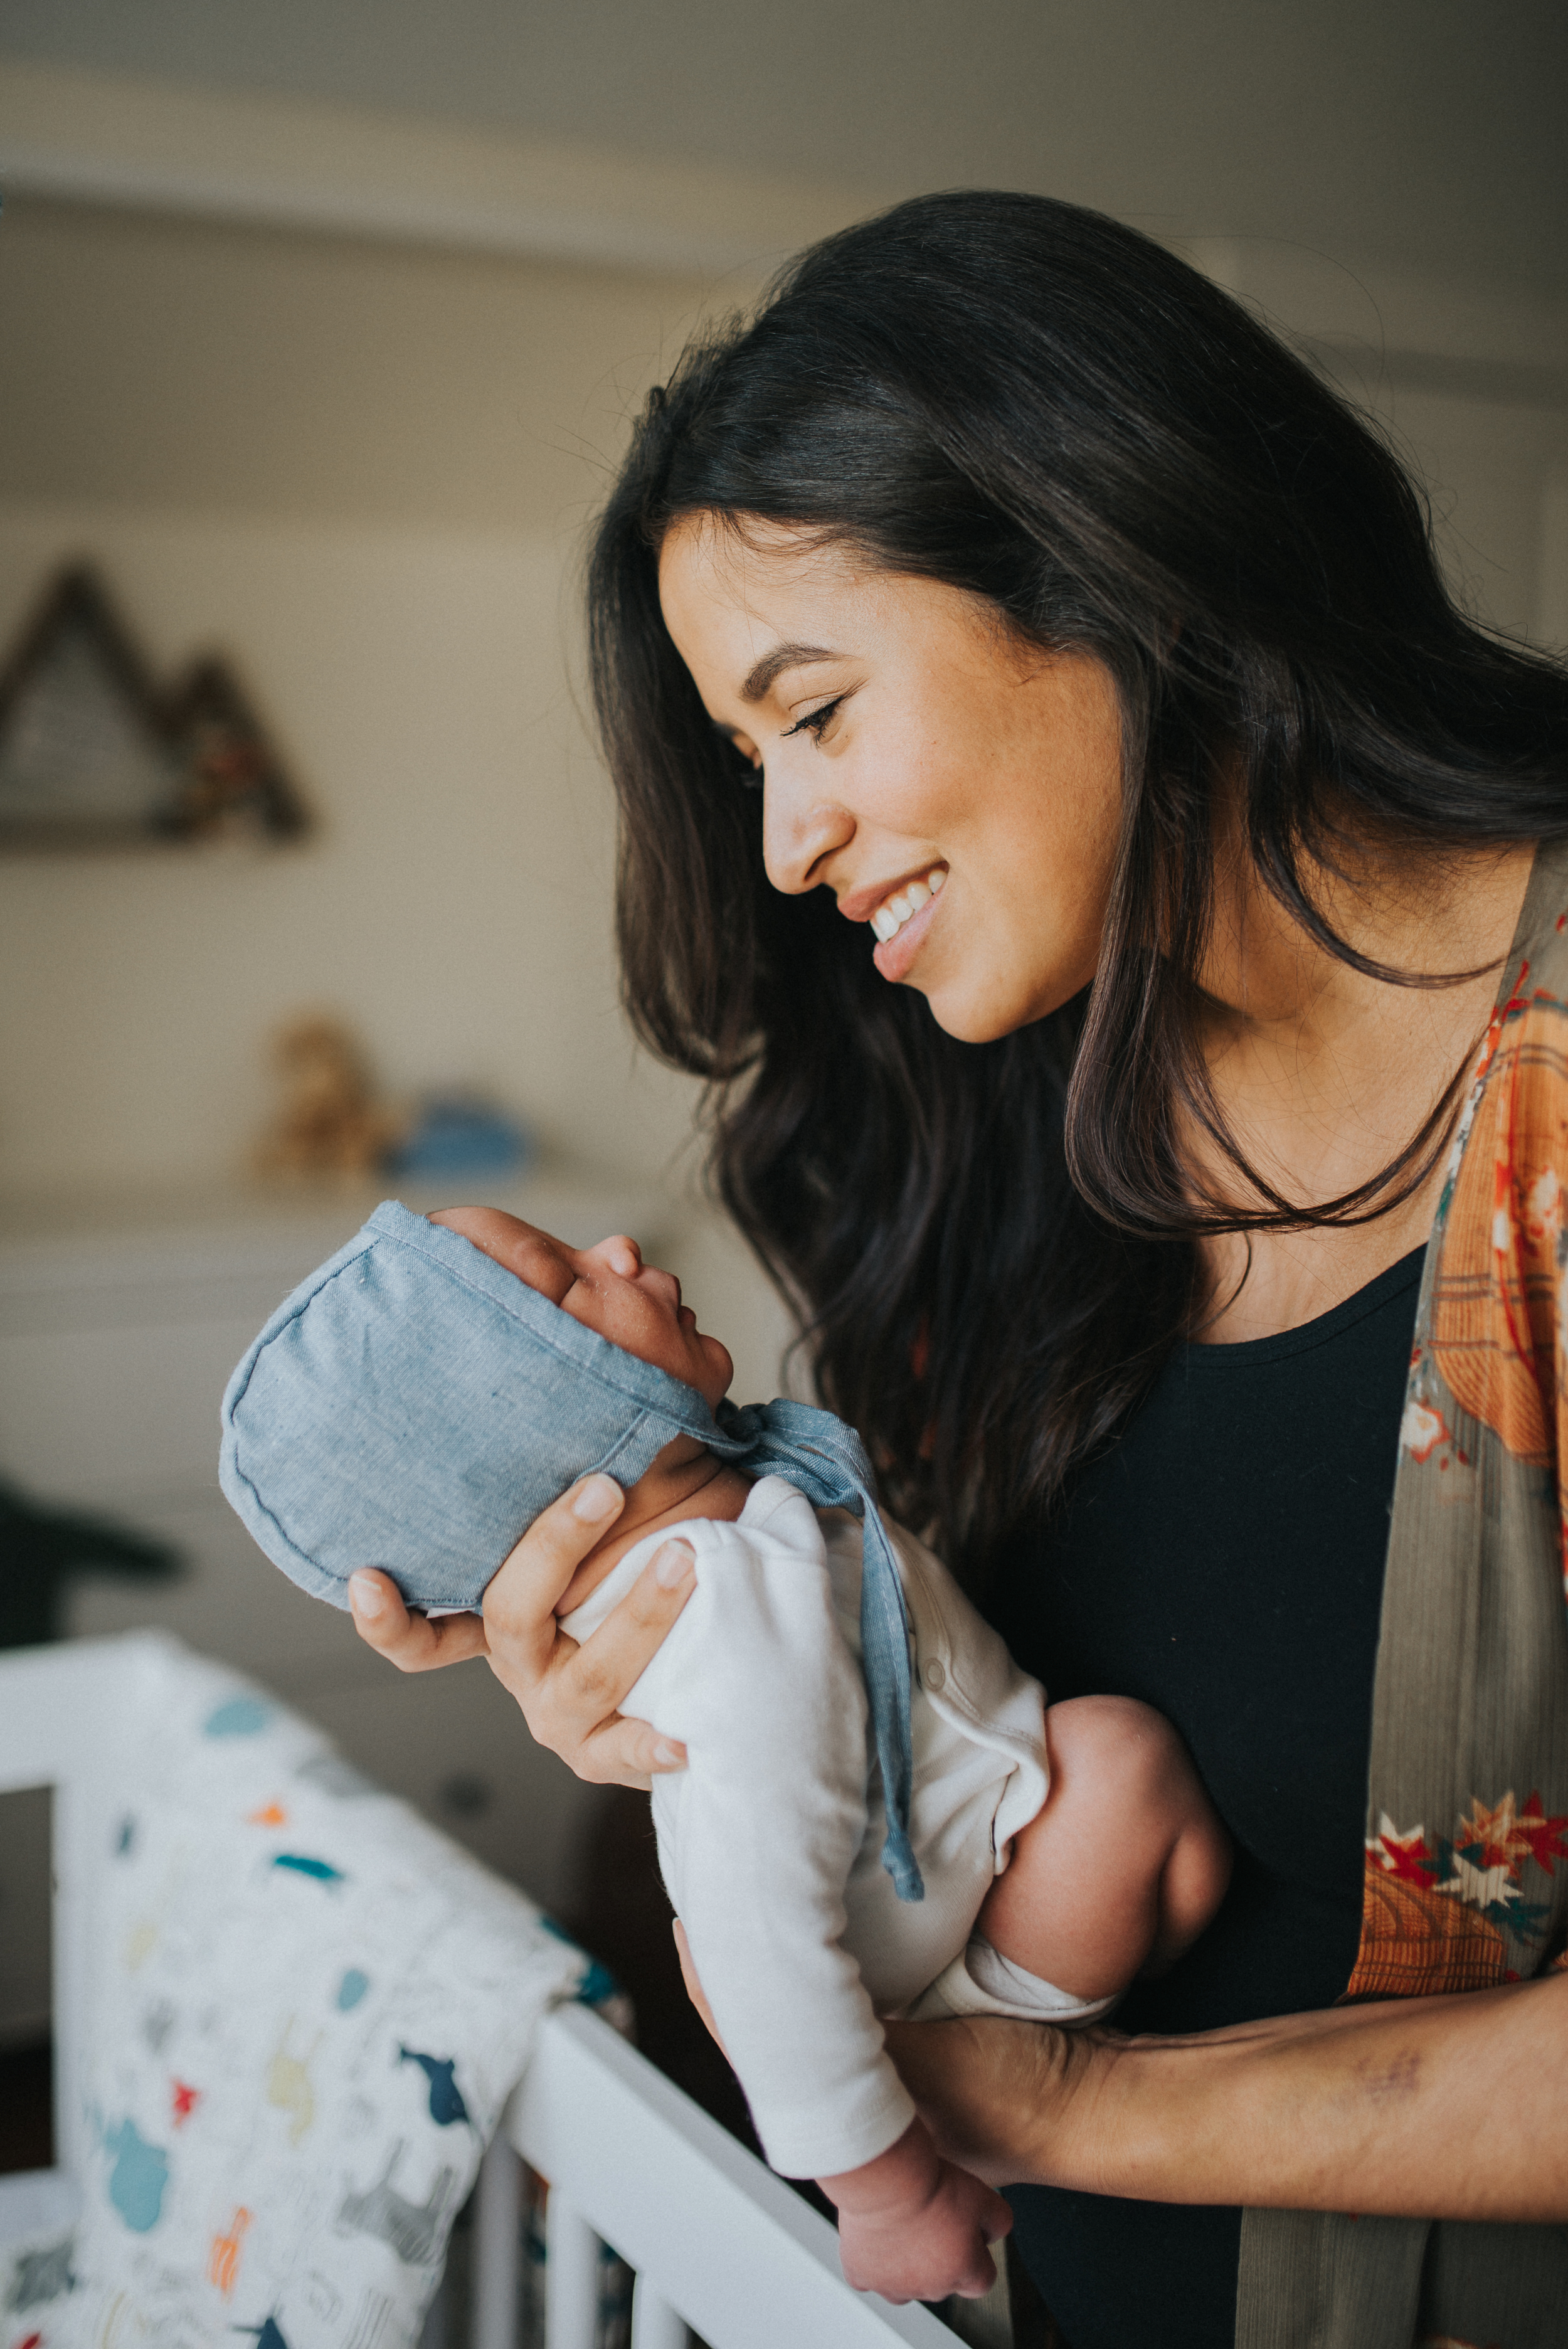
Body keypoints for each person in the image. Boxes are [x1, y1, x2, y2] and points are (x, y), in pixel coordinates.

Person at [348, 193, 1568, 2346]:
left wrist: (1044, 2102)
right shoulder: (997, 1131)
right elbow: (951, 1760)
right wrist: (689, 1628)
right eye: (744, 762)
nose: (784, 848)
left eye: (810, 712)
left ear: (1112, 566)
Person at [220, 1197, 1231, 2304]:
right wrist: (884, 2190)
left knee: (1109, 1764)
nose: (618, 1249)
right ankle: (993, 2108)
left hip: (958, 1877)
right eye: (566, 1284)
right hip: (956, 1981)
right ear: (555, 1435)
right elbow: (759, 1941)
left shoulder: (737, 1527)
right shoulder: (724, 1609)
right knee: (1118, 1768)